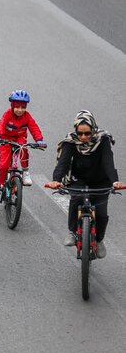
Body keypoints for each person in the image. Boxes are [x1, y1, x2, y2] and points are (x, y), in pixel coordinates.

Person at [47, 110, 123, 258]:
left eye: (87, 133)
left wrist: (115, 181)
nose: (83, 137)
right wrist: (56, 180)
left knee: (101, 214)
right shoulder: (71, 141)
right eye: (80, 133)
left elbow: (108, 162)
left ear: (93, 129)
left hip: (101, 181)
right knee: (75, 201)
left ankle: (99, 240)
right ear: (75, 130)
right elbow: (63, 163)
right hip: (78, 180)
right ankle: (72, 233)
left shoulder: (103, 140)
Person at [0, 90, 46, 206]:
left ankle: (25, 172)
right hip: (6, 139)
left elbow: (34, 128)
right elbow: (0, 125)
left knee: (24, 148)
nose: (20, 110)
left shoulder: (27, 116)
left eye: (23, 107)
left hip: (20, 138)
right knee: (4, 165)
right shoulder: (7, 115)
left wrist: (39, 140)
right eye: (17, 107)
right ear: (12, 106)